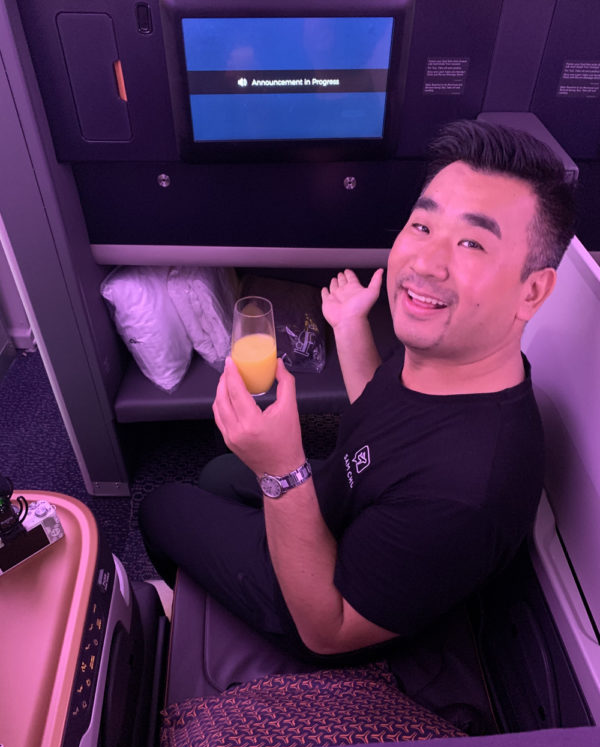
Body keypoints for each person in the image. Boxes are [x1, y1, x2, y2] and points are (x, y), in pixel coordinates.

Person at [139, 119, 576, 661]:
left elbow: (331, 629)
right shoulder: (450, 354)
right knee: (217, 474)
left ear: (532, 290)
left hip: (322, 602)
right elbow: (383, 408)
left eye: (471, 242)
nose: (425, 262)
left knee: (161, 507)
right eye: (422, 227)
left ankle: (198, 620)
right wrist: (348, 326)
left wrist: (281, 471)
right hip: (344, 500)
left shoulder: (466, 491)